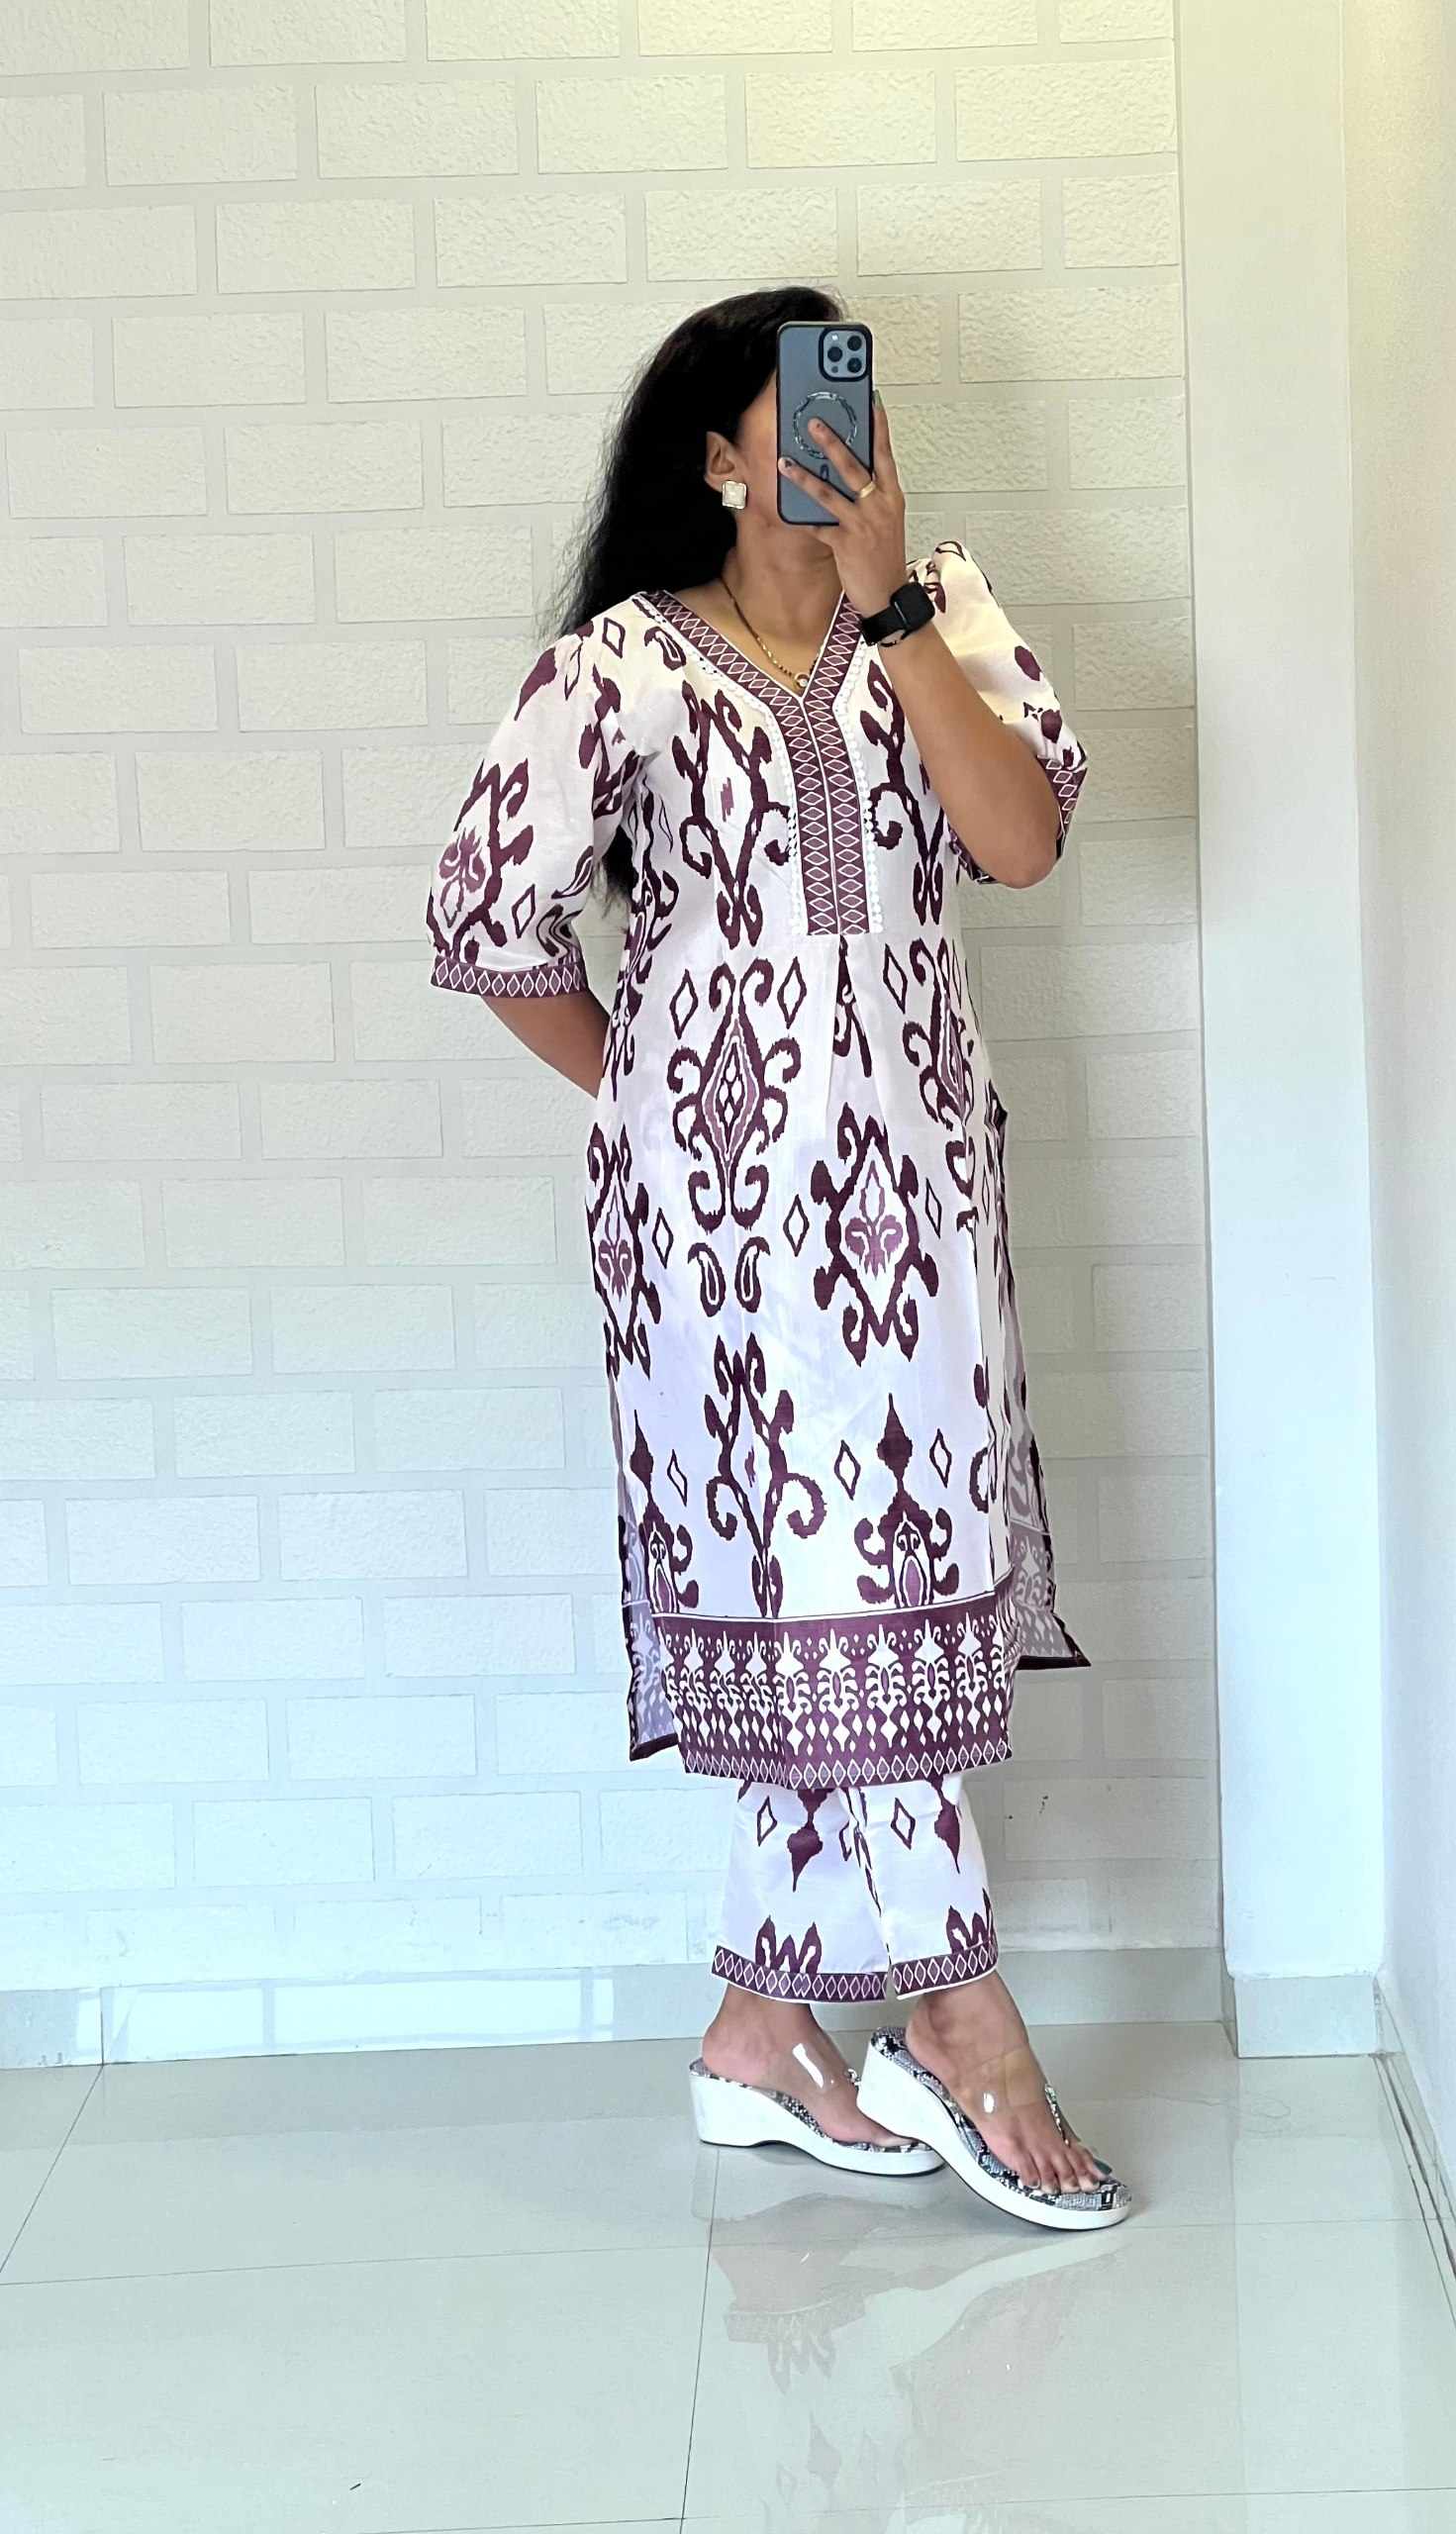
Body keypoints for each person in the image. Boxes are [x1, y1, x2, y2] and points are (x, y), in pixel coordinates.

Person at [424, 285, 1132, 2229]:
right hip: (717, 1244)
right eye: (799, 416)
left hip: (916, 1215)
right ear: (718, 458)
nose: (840, 442)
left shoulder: (943, 617)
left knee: (884, 1575)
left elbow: (1018, 843)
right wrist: (652, 1103)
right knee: (801, 1580)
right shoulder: (620, 669)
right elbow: (482, 917)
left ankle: (763, 2028)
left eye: (857, 408)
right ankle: (962, 2017)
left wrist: (892, 609)